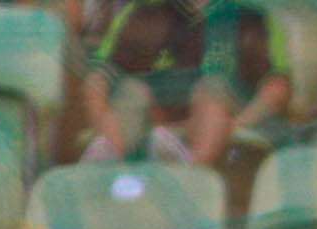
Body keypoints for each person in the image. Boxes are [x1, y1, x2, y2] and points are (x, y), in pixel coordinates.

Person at [70, 0, 294, 167]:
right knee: (133, 93)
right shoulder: (141, 13)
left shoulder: (253, 19)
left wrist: (237, 125)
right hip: (148, 127)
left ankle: (188, 179)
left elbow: (277, 88)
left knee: (213, 90)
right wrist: (103, 126)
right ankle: (103, 167)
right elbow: (96, 82)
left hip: (214, 127)